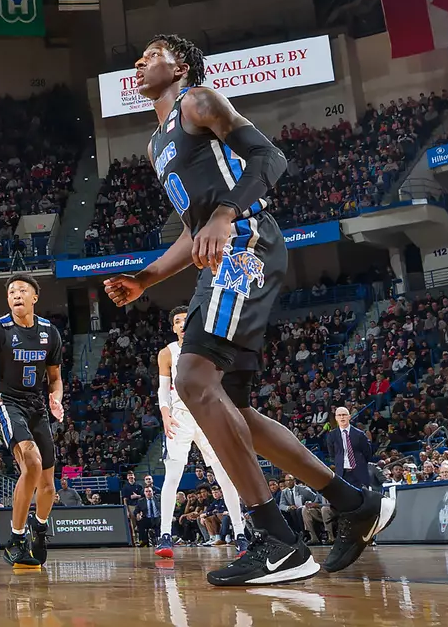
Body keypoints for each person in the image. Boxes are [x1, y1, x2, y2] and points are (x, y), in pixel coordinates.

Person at [105, 34, 394, 587]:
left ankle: (277, 542)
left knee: (191, 379)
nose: (138, 62)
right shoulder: (154, 145)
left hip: (247, 243)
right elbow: (194, 232)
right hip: (218, 253)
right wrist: (146, 278)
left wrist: (227, 214)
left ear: (181, 65)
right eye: (136, 56)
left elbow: (270, 157)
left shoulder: (199, 101)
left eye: (151, 54)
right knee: (230, 406)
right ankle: (353, 503)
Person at [0, 275, 64, 569]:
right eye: (11, 291)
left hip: (37, 406)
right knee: (30, 462)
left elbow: (55, 378)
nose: (16, 294)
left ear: (34, 298)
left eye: (22, 290)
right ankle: (15, 539)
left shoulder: (49, 332)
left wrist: (56, 397)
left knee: (47, 488)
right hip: (7, 402)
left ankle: (39, 528)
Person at [155, 305, 247, 558]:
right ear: (173, 327)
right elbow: (163, 388)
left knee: (225, 476)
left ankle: (240, 534)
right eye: (177, 321)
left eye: (186, 320)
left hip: (208, 417)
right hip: (180, 418)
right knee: (172, 477)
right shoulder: (167, 353)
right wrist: (164, 413)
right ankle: (164, 536)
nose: (182, 324)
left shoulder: (208, 348)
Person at [323, 407, 375, 490]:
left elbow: (367, 453)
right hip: (342, 473)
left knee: (363, 498)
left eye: (344, 415)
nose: (342, 417)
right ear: (336, 418)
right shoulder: (332, 435)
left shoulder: (359, 434)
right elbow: (332, 454)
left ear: (349, 417)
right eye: (339, 415)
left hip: (359, 472)